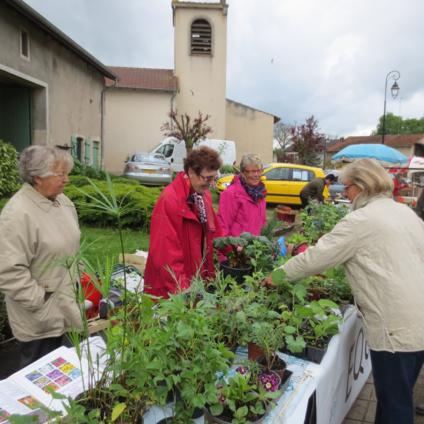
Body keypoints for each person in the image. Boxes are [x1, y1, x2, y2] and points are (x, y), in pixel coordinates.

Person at [275, 158, 424, 424]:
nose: (344, 193)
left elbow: (317, 257)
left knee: (396, 406)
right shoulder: (403, 212)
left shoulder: (360, 221)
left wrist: (276, 276)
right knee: (396, 397)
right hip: (417, 321)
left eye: (347, 186)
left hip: (395, 331)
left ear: (363, 185)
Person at [0, 145, 83, 368]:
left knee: (68, 379)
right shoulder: (16, 214)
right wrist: (41, 300)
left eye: (67, 173)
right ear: (37, 177)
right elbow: (8, 272)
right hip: (39, 320)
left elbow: (72, 247)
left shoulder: (64, 203)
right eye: (60, 174)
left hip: (68, 309)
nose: (66, 179)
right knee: (40, 386)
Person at [144, 146, 222, 298]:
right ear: (191, 172)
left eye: (214, 178)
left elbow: (214, 231)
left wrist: (233, 248)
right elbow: (166, 256)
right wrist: (184, 291)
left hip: (195, 281)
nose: (211, 184)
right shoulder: (170, 200)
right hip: (171, 290)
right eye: (208, 178)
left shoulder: (202, 196)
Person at [217, 154, 266, 236]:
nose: (257, 175)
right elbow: (223, 226)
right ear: (243, 172)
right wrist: (230, 247)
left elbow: (262, 222)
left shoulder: (260, 193)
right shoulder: (231, 194)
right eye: (253, 171)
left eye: (259, 171)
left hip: (255, 246)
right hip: (237, 247)